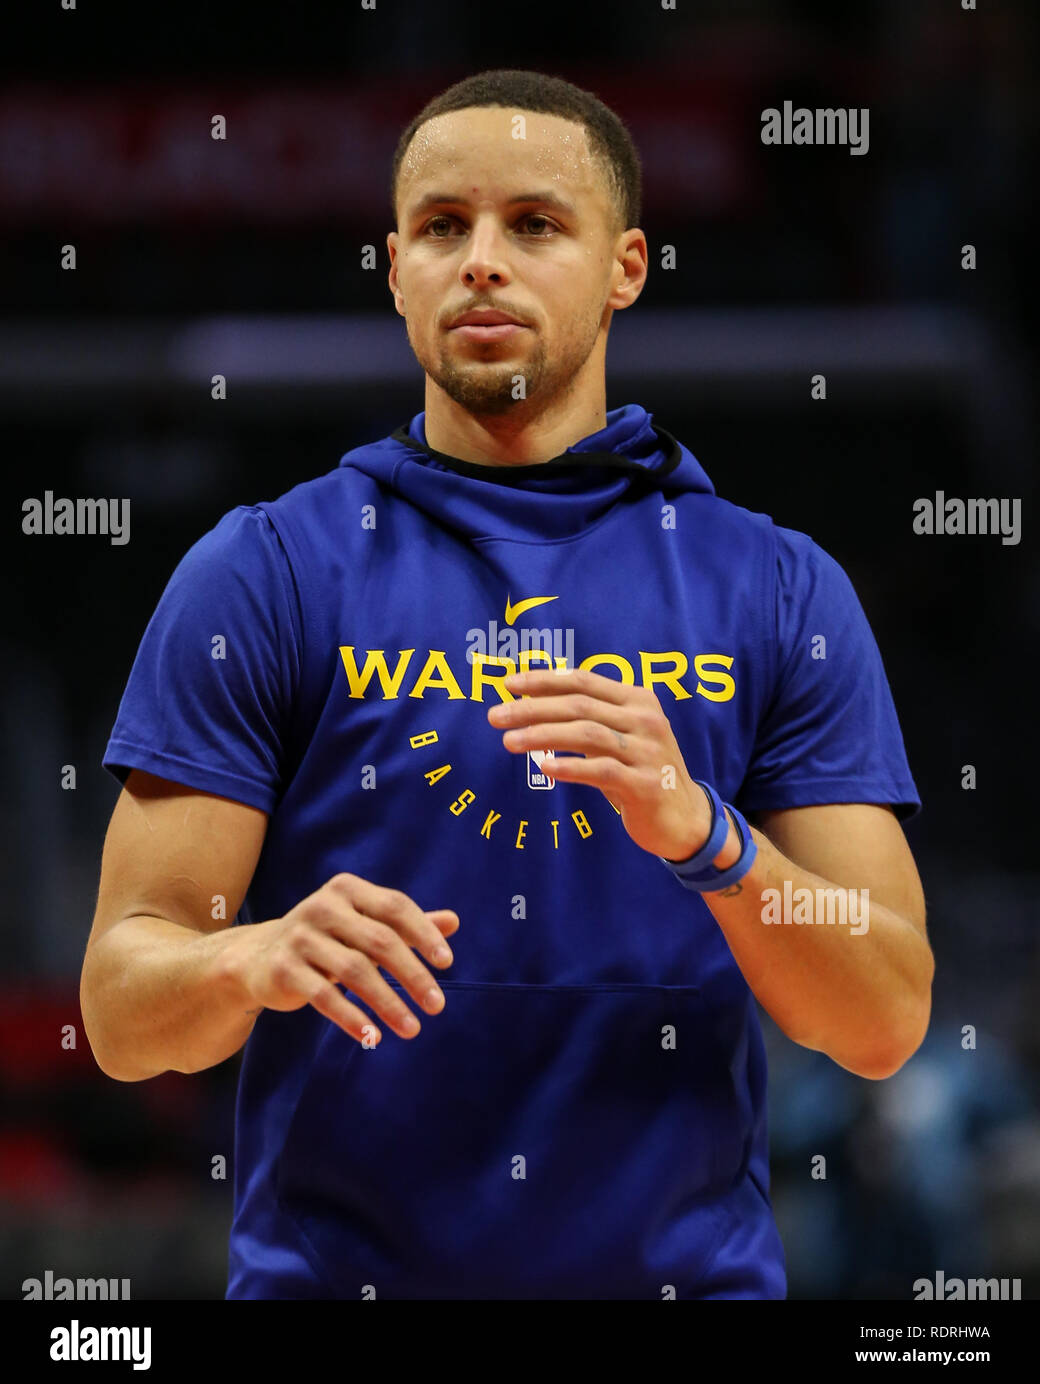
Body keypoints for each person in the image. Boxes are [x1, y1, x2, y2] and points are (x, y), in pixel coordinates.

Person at [80, 69, 933, 1300]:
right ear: (392, 269)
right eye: (441, 226)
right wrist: (249, 958)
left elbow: (884, 1015)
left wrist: (707, 838)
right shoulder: (263, 570)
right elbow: (117, 1009)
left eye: (534, 224)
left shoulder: (775, 588)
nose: (480, 261)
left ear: (626, 265)